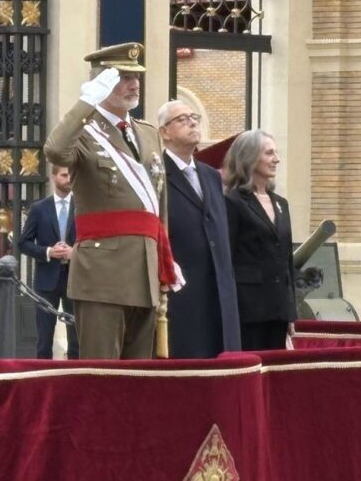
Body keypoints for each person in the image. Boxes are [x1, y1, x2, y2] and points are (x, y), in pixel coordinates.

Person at [43, 42, 176, 360]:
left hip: (145, 272)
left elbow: (159, 205)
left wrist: (164, 259)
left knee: (139, 377)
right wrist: (85, 102)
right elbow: (55, 151)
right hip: (102, 275)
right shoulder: (84, 132)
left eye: (137, 77)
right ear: (101, 83)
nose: (134, 84)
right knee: (102, 376)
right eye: (124, 77)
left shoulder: (147, 133)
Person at [158, 100, 239, 358]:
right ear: (164, 132)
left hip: (219, 293)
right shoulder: (156, 174)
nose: (192, 122)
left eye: (194, 117)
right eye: (182, 119)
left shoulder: (211, 176)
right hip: (183, 296)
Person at [222, 129, 296, 351]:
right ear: (249, 157)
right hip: (248, 311)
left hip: (278, 310)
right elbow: (227, 258)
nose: (277, 159)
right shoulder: (232, 202)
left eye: (276, 152)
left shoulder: (281, 203)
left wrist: (290, 311)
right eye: (269, 153)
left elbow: (286, 262)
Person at [19, 163, 79, 359]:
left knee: (77, 338)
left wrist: (75, 252)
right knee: (44, 339)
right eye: (63, 175)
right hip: (47, 279)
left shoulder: (82, 206)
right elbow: (23, 243)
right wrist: (48, 252)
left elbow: (92, 240)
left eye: (70, 175)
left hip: (75, 278)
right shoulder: (39, 209)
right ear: (53, 177)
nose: (68, 179)